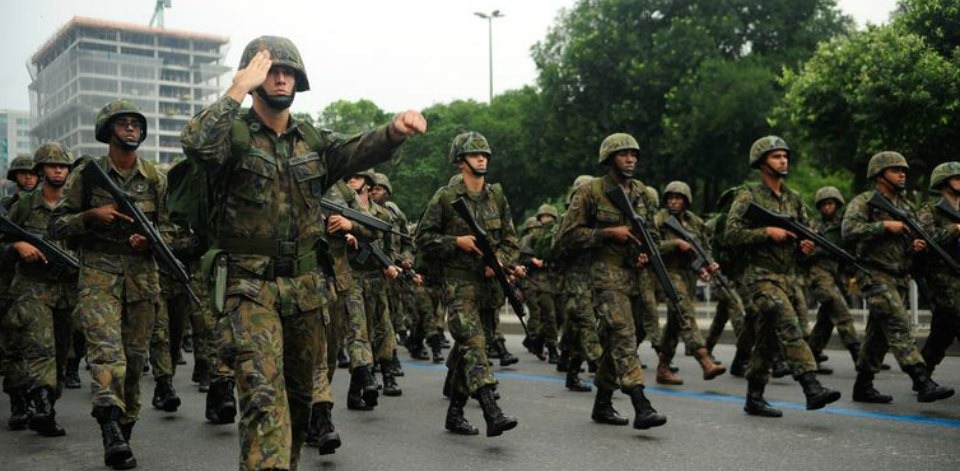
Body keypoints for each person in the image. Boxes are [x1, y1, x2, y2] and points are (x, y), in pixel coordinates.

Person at [179, 36, 425, 471]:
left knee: (297, 402)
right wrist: (237, 88)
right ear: (255, 78)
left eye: (287, 71)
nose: (279, 77)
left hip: (305, 291)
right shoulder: (231, 136)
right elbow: (196, 143)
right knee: (262, 398)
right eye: (271, 70)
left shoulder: (312, 140)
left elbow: (356, 149)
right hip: (247, 288)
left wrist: (393, 132)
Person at [49, 99, 170, 469]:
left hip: (141, 277)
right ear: (108, 130)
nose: (131, 128)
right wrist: (90, 216)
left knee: (134, 362)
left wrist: (152, 239)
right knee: (107, 355)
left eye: (136, 123)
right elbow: (56, 225)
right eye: (123, 123)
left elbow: (175, 230)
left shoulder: (155, 179)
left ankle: (123, 427)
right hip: (99, 273)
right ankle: (109, 426)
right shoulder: (87, 176)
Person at [553, 133, 667, 430]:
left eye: (634, 154)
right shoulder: (591, 192)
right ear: (609, 159)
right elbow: (565, 238)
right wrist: (605, 234)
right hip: (604, 274)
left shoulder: (642, 193)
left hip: (635, 275)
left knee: (631, 333)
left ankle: (602, 403)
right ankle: (641, 403)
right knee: (623, 333)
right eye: (623, 154)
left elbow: (652, 235)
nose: (630, 159)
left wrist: (645, 254)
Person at [725, 135, 840, 418]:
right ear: (762, 162)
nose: (783, 160)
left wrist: (806, 245)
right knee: (789, 323)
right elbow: (731, 234)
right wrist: (766, 232)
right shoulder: (748, 196)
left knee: (766, 339)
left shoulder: (794, 199)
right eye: (776, 156)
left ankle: (754, 396)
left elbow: (806, 233)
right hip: (760, 278)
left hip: (787, 278)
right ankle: (811, 386)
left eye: (785, 156)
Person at [416, 131, 521, 437]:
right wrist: (455, 242)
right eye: (475, 155)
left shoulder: (497, 197)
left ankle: (455, 413)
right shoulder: (445, 198)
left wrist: (499, 261)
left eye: (485, 155)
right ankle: (492, 410)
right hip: (459, 287)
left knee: (470, 349)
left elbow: (511, 242)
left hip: (489, 289)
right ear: (460, 161)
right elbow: (422, 238)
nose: (482, 158)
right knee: (474, 346)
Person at [842, 152, 954, 403]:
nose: (903, 174)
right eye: (896, 170)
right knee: (898, 323)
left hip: (899, 275)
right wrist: (883, 226)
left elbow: (911, 240)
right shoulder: (865, 202)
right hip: (874, 273)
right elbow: (848, 231)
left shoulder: (905, 206)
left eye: (903, 170)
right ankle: (921, 380)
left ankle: (863, 385)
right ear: (879, 175)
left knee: (878, 335)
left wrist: (915, 246)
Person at [1, 143, 77, 438]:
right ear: (41, 170)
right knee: (38, 346)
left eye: (63, 166)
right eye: (52, 165)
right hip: (31, 287)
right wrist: (17, 246)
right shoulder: (22, 206)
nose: (58, 170)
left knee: (60, 350)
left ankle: (47, 399)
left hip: (66, 290)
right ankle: (42, 404)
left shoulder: (76, 205)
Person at [653, 181, 726, 384]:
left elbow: (704, 247)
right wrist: (675, 244)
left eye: (678, 198)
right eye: (670, 198)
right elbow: (650, 245)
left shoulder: (694, 222)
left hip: (689, 276)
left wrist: (705, 266)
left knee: (676, 323)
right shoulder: (659, 219)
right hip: (668, 274)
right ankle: (704, 360)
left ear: (686, 201)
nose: (674, 201)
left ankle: (663, 367)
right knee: (685, 312)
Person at [804, 186, 862, 372]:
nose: (827, 208)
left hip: (838, 274)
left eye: (830, 203)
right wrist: (813, 247)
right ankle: (858, 354)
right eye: (823, 205)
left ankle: (811, 357)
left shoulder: (846, 225)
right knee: (840, 310)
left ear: (837, 205)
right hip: (819, 274)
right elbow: (803, 254)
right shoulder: (814, 227)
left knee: (826, 319)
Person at [1, 153, 39, 431]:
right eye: (23, 174)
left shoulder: (45, 207)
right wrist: (13, 248)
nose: (28, 178)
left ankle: (40, 396)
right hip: (7, 285)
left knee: (40, 347)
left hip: (38, 287)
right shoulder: (6, 209)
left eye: (32, 173)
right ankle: (18, 400)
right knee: (14, 346)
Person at [918, 162, 960, 378]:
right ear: (944, 182)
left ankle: (922, 371)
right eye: (957, 177)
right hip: (941, 275)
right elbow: (928, 239)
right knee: (955, 316)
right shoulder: (930, 210)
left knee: (944, 329)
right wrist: (955, 229)